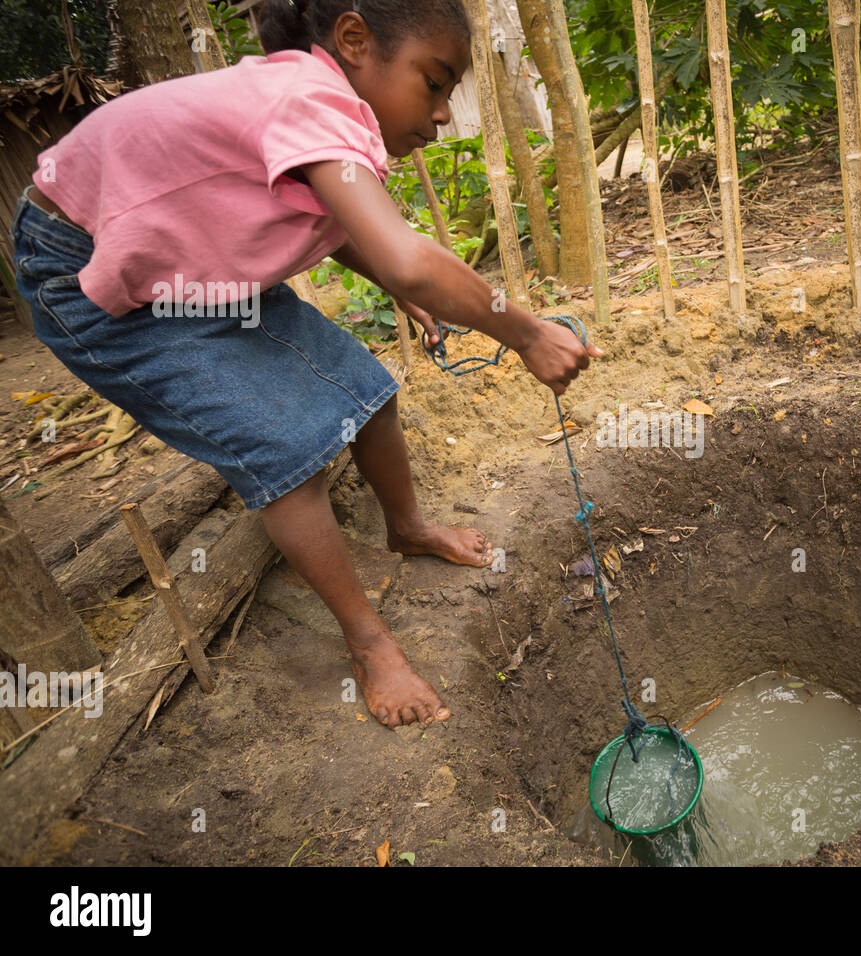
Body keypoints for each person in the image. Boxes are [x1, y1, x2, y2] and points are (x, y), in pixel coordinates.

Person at [10, 0, 602, 728]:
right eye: (435, 81)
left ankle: (406, 526)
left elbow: (341, 222)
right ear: (354, 40)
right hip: (90, 270)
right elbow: (409, 258)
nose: (444, 112)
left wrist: (394, 278)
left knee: (365, 388)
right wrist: (528, 333)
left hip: (187, 261)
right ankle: (368, 643)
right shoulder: (308, 98)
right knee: (286, 452)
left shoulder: (319, 101)